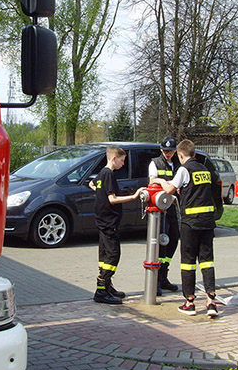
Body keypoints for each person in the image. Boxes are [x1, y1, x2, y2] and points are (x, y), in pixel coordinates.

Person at [156, 139, 218, 317]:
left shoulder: (184, 169)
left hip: (190, 222)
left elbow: (169, 189)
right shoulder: (204, 170)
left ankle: (189, 302)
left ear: (181, 155)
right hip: (208, 222)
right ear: (195, 154)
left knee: (188, 262)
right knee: (207, 260)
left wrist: (159, 181)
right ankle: (211, 302)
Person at [89, 146, 145, 305]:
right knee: (113, 254)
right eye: (122, 160)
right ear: (114, 158)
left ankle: (107, 286)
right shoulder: (108, 174)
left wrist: (100, 195)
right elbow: (112, 199)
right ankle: (101, 290)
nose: (123, 163)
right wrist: (133, 196)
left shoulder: (102, 173)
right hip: (108, 222)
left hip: (103, 220)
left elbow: (92, 185)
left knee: (105, 254)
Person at [148, 136, 180, 295]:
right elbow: (152, 180)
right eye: (165, 151)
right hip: (161, 209)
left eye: (170, 151)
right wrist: (162, 182)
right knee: (162, 242)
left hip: (174, 207)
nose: (167, 154)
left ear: (175, 151)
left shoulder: (179, 163)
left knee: (174, 239)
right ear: (161, 150)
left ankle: (164, 275)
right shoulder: (155, 163)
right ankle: (157, 280)